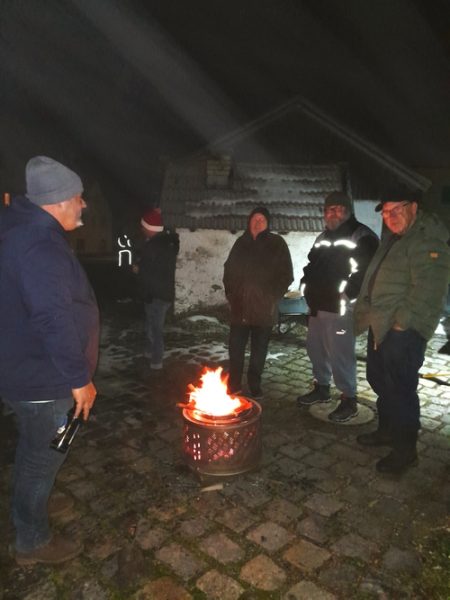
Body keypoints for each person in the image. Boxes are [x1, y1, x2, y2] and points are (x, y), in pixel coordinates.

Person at [0, 156, 99, 565]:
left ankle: (32, 503)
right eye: (78, 197)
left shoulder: (19, 226)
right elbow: (51, 318)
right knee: (41, 458)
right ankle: (32, 539)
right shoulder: (39, 246)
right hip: (44, 378)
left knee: (34, 450)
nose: (83, 204)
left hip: (22, 367)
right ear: (57, 202)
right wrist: (80, 379)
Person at [354, 190, 450, 474]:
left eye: (396, 210)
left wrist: (400, 324)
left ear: (414, 208)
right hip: (381, 324)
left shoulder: (426, 239)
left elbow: (429, 289)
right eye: (385, 212)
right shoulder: (394, 238)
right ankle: (387, 430)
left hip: (402, 331)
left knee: (401, 390)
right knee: (378, 379)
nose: (390, 216)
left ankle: (405, 451)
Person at [297, 191, 378, 422]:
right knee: (316, 349)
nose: (332, 213)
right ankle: (322, 388)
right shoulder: (323, 236)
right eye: (328, 210)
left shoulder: (361, 236)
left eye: (338, 209)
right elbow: (312, 263)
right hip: (317, 305)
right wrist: (305, 283)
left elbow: (365, 271)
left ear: (347, 211)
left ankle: (348, 399)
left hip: (341, 308)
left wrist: (347, 293)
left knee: (341, 354)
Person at [223, 206, 293, 399]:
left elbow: (286, 275)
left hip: (264, 309)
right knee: (236, 349)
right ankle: (234, 385)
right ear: (249, 221)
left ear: (268, 223)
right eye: (255, 219)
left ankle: (255, 385)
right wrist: (231, 294)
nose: (258, 223)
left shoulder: (277, 244)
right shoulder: (241, 243)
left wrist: (272, 297)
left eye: (262, 220)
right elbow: (229, 270)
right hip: (240, 308)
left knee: (259, 351)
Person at [134, 208, 179, 370]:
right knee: (151, 326)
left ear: (150, 228)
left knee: (155, 329)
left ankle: (156, 361)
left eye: (143, 226)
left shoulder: (153, 246)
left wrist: (138, 269)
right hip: (162, 293)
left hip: (155, 294)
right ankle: (149, 352)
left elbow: (150, 272)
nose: (141, 229)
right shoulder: (168, 242)